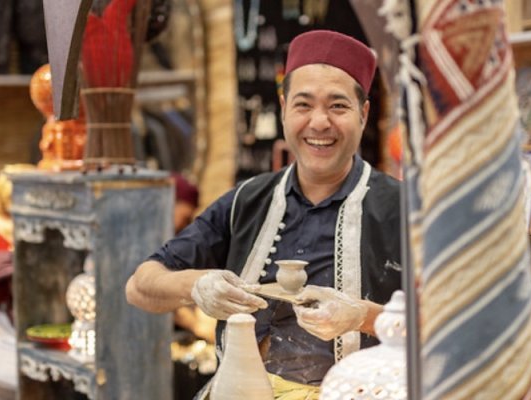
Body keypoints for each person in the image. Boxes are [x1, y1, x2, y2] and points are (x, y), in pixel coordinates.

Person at [126, 30, 402, 397]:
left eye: (338, 106)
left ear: (363, 114)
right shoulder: (248, 201)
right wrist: (197, 286)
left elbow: (449, 325)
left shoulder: (402, 209)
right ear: (284, 107)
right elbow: (140, 284)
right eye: (303, 105)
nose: (319, 122)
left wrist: (363, 317)